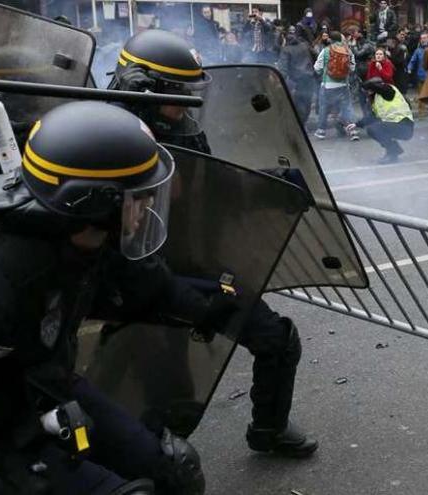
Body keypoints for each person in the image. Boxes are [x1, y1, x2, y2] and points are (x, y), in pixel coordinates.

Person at [0, 101, 220, 495]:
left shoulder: (85, 241)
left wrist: (217, 306)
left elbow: (145, 288)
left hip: (35, 385)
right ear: (94, 203)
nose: (145, 212)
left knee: (174, 470)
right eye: (138, 199)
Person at [109, 29, 319, 457]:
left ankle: (268, 430)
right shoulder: (113, 137)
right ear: (146, 88)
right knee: (160, 381)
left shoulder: (182, 128)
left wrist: (269, 187)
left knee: (275, 338)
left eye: (193, 89)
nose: (190, 101)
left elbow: (212, 189)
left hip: (194, 262)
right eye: (180, 91)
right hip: (142, 276)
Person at [347, 77, 414, 163]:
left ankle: (393, 152)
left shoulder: (388, 90)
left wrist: (364, 84)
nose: (368, 93)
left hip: (404, 126)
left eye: (369, 90)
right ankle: (392, 152)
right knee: (373, 129)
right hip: (396, 126)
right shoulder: (377, 100)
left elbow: (380, 88)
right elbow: (372, 117)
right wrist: (356, 124)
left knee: (375, 128)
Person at [312, 31, 359, 141]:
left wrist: (324, 70)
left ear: (330, 39)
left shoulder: (326, 50)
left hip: (327, 85)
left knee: (324, 107)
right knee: (346, 107)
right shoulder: (348, 51)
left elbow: (317, 68)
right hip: (343, 84)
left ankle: (321, 131)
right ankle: (352, 131)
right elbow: (352, 68)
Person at [278, 25, 317, 126]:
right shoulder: (305, 45)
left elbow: (283, 69)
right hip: (309, 77)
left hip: (296, 80)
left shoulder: (286, 50)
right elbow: (316, 55)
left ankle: (301, 124)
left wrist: (279, 80)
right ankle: (304, 121)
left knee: (299, 102)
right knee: (307, 100)